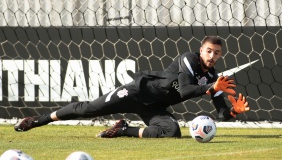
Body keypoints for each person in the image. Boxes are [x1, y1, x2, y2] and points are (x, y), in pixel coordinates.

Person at [14, 36, 250, 138]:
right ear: (201, 50)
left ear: (220, 55)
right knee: (87, 109)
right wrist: (210, 87)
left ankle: (123, 130)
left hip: (155, 106)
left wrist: (231, 112)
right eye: (208, 51)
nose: (211, 55)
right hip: (137, 91)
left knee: (172, 132)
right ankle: (38, 120)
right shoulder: (188, 59)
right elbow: (186, 90)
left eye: (216, 53)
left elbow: (220, 113)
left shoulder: (216, 78)